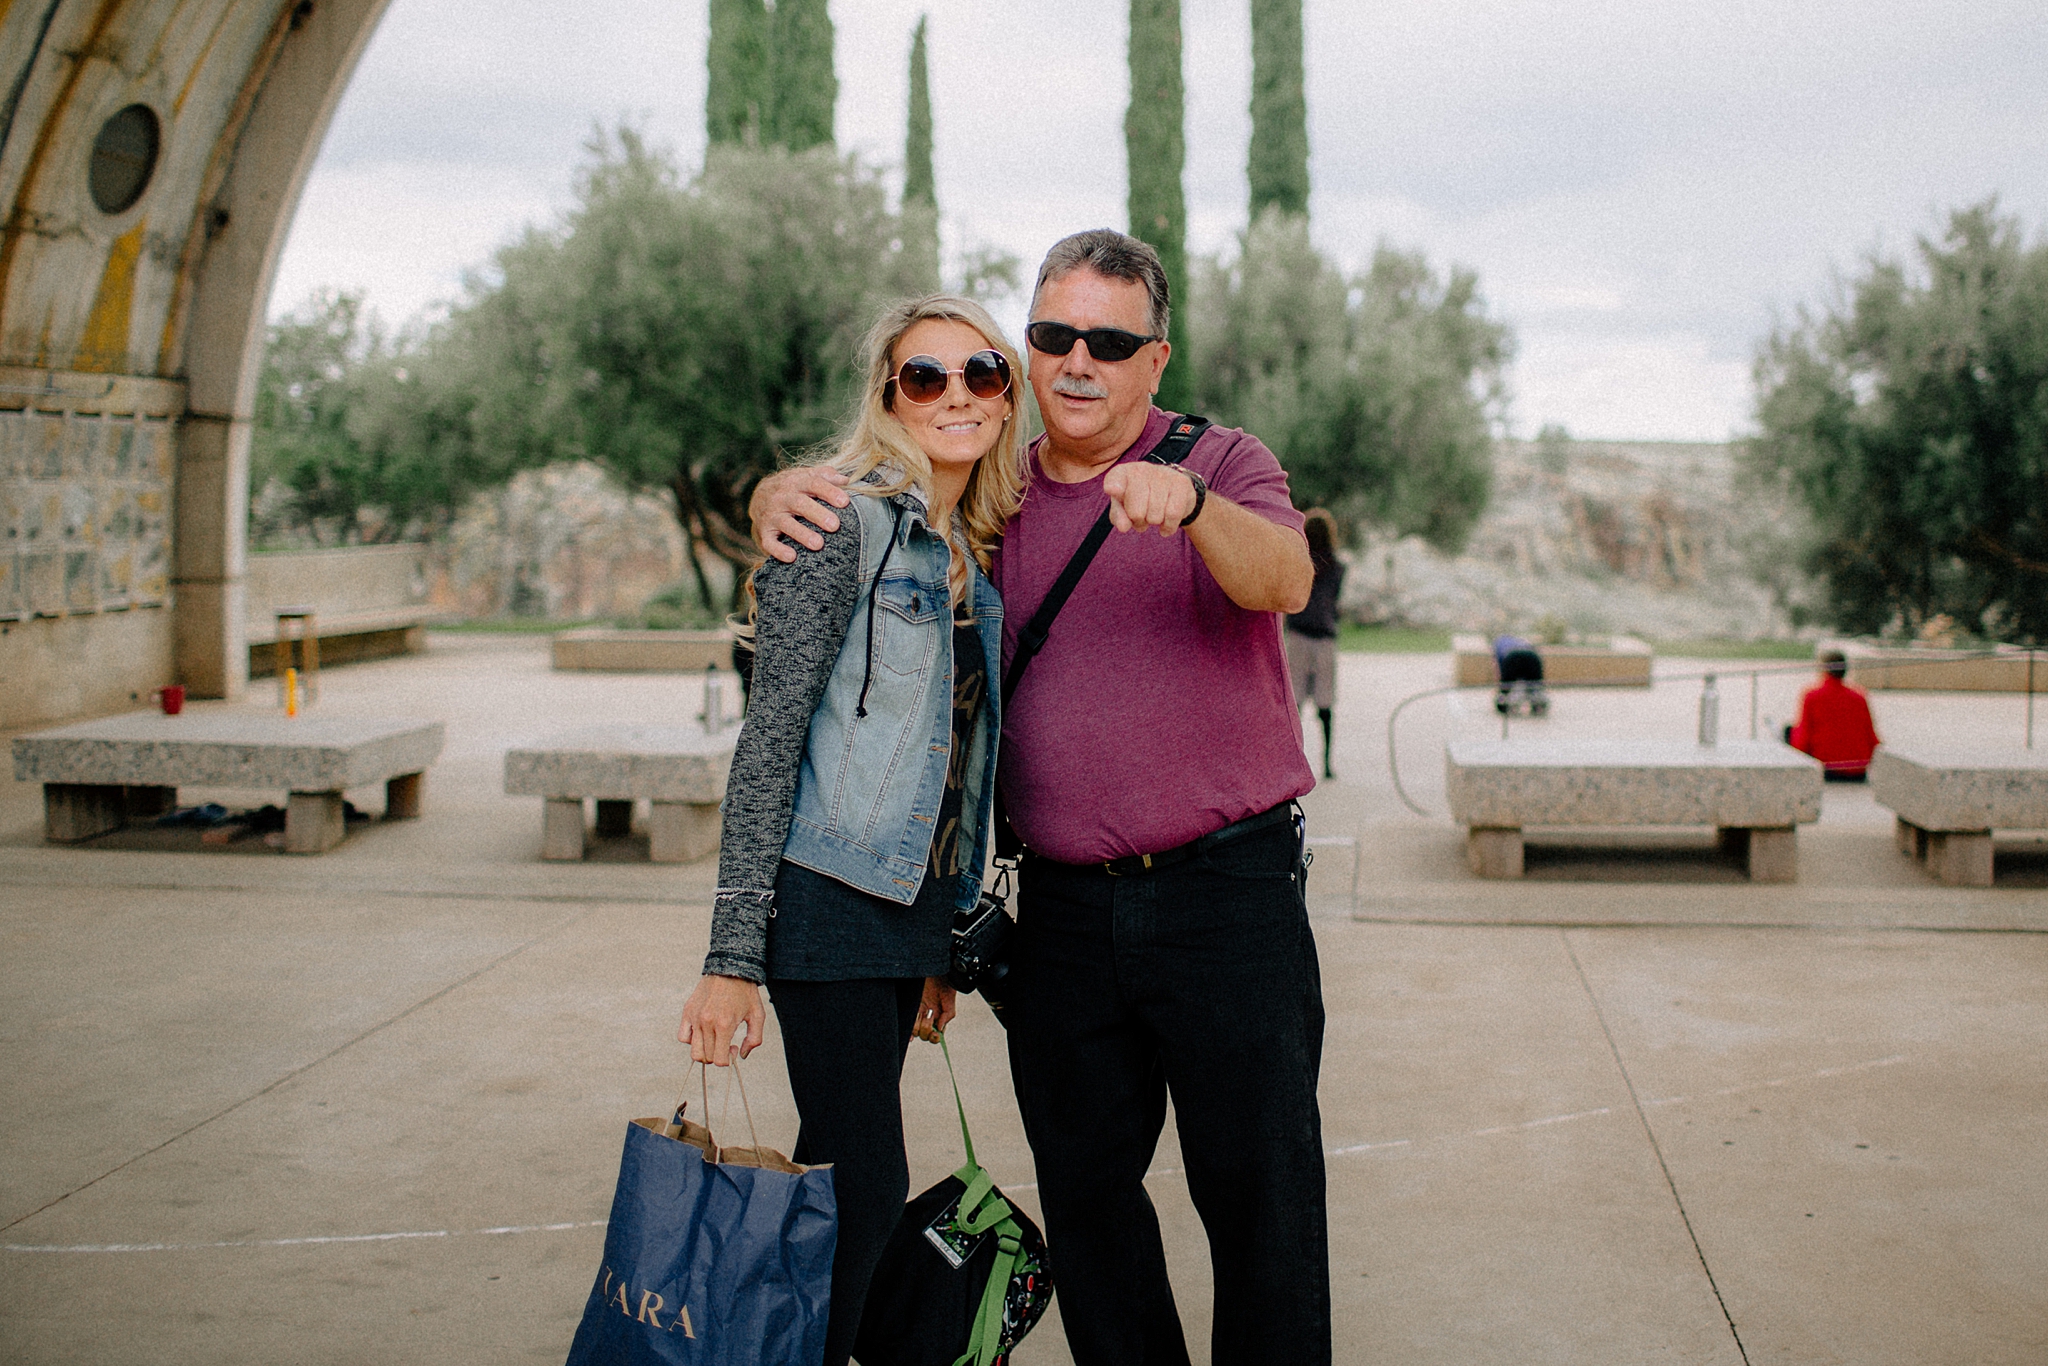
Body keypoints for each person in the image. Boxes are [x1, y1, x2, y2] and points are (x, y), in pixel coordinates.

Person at [751, 229, 1330, 1366]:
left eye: (1108, 341)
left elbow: (1286, 577)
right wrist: (777, 488)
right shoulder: (994, 490)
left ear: (1153, 358)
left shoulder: (1223, 456)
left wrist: (1191, 505)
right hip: (1059, 915)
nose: (1077, 361)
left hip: (1229, 900)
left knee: (1260, 1198)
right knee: (1087, 1200)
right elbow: (874, 499)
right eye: (1053, 335)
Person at [677, 295, 1025, 1366]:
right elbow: (768, 740)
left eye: (979, 372)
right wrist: (730, 955)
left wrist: (941, 939)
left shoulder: (975, 549)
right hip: (822, 893)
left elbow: (953, 765)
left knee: (835, 1164)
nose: (954, 394)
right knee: (865, 1182)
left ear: (1006, 393)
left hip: (903, 913)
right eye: (924, 377)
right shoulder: (836, 523)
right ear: (888, 396)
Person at [1287, 508, 1347, 778]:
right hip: (1324, 637)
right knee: (1325, 704)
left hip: (1298, 634)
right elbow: (1335, 603)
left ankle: (1292, 759)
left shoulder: (1298, 562)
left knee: (1295, 702)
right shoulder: (1338, 568)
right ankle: (1326, 764)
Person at [1787, 649, 1879, 780]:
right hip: (1858, 769)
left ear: (1824, 670)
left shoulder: (1812, 696)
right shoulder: (1859, 697)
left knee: (1788, 730)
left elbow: (1804, 736)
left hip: (1827, 768)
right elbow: (1870, 735)